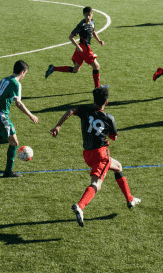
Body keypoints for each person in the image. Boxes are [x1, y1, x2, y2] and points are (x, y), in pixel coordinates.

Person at [49, 86, 140, 227]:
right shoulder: (109, 118)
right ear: (107, 102)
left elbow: (70, 110)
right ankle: (80, 206)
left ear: (93, 100)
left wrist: (58, 126)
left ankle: (130, 199)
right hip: (101, 154)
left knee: (118, 166)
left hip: (87, 154)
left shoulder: (84, 109)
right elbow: (114, 137)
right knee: (96, 184)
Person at [0, 60, 38, 178]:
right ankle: (8, 172)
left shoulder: (5, 79)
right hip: (1, 116)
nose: (25, 75)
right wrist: (31, 115)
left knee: (4, 139)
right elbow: (18, 103)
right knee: (14, 142)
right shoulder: (16, 84)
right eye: (25, 73)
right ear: (22, 72)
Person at [45, 6, 108, 89]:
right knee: (96, 66)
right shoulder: (81, 25)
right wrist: (78, 46)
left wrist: (99, 40)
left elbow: (93, 31)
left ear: (92, 14)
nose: (88, 17)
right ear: (83, 15)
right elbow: (71, 37)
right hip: (83, 48)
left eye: (89, 15)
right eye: (86, 15)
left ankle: (53, 68)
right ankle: (97, 88)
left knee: (75, 70)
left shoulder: (92, 22)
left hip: (81, 49)